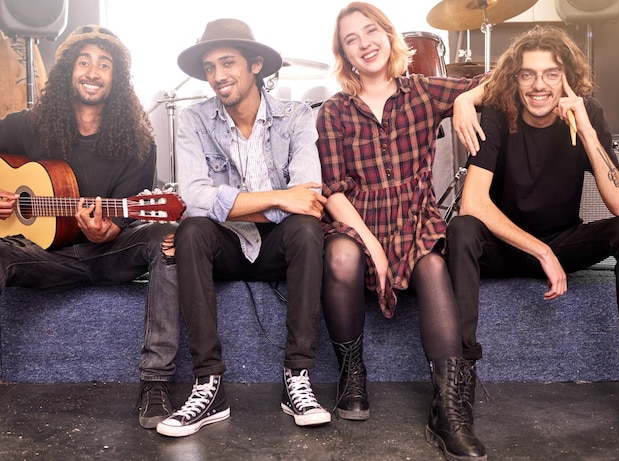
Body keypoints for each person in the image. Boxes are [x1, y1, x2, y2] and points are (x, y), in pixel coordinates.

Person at [316, 3, 487, 460]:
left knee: (432, 265)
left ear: (389, 36)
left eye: (370, 31)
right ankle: (352, 375)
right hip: (357, 217)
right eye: (351, 39)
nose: (364, 43)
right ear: (344, 54)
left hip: (413, 216)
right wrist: (371, 243)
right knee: (341, 256)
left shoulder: (424, 92)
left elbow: (498, 82)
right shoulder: (333, 111)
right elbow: (332, 191)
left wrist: (466, 98)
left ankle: (449, 411)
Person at [155, 18, 331, 438]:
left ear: (255, 65)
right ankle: (208, 385)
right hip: (227, 248)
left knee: (306, 229)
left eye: (228, 63)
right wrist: (275, 198)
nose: (218, 76)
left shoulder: (297, 116)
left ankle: (298, 377)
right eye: (210, 67)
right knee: (192, 231)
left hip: (278, 248)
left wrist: (236, 206)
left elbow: (306, 197)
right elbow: (194, 197)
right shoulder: (195, 119)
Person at [0, 25, 181, 429]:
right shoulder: (30, 126)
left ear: (117, 77)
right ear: (68, 71)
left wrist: (108, 230)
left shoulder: (139, 142)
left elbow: (124, 219)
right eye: (84, 62)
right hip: (43, 257)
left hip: (108, 255)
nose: (92, 71)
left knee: (167, 234)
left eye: (104, 64)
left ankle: (155, 383)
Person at [446, 24, 619, 414]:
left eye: (551, 74)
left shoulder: (588, 111)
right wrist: (540, 251)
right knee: (461, 229)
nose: (538, 85)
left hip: (564, 241)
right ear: (515, 79)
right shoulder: (497, 113)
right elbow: (472, 203)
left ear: (568, 80)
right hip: (502, 245)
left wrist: (589, 132)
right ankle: (460, 374)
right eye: (527, 74)